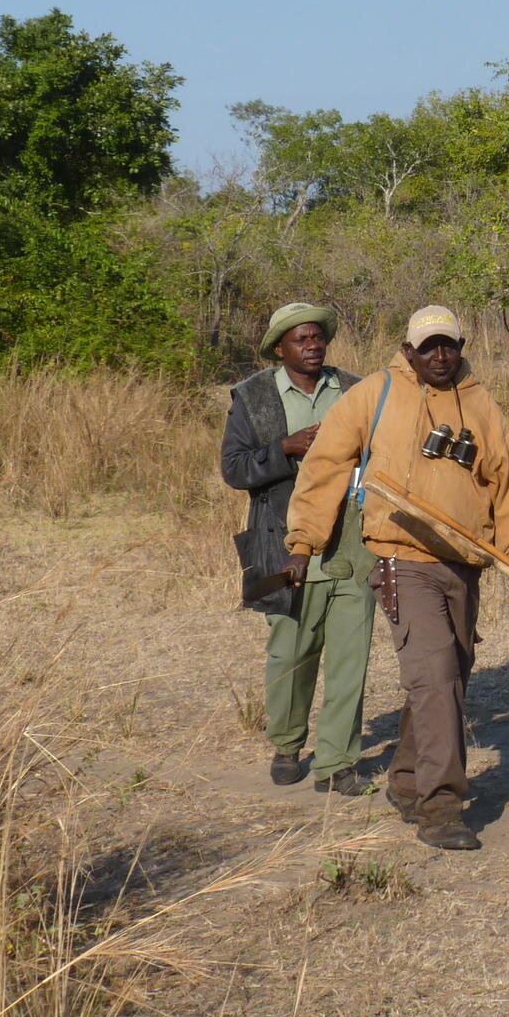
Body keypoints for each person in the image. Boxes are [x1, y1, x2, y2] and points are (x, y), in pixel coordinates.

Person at [284, 305, 509, 850]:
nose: (440, 356)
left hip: (464, 564)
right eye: (427, 347)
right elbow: (325, 467)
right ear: (408, 351)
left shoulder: (482, 405)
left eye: (448, 345)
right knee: (435, 678)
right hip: (401, 561)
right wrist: (303, 543)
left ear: (461, 345)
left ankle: (405, 781)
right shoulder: (374, 395)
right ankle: (440, 807)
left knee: (448, 679)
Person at [219, 302, 375, 794]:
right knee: (291, 655)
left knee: (351, 660)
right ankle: (287, 746)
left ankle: (336, 762)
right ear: (279, 348)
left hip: (352, 542)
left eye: (318, 338)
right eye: (301, 340)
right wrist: (285, 449)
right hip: (284, 544)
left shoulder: (356, 389)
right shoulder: (254, 396)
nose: (313, 346)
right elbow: (235, 470)